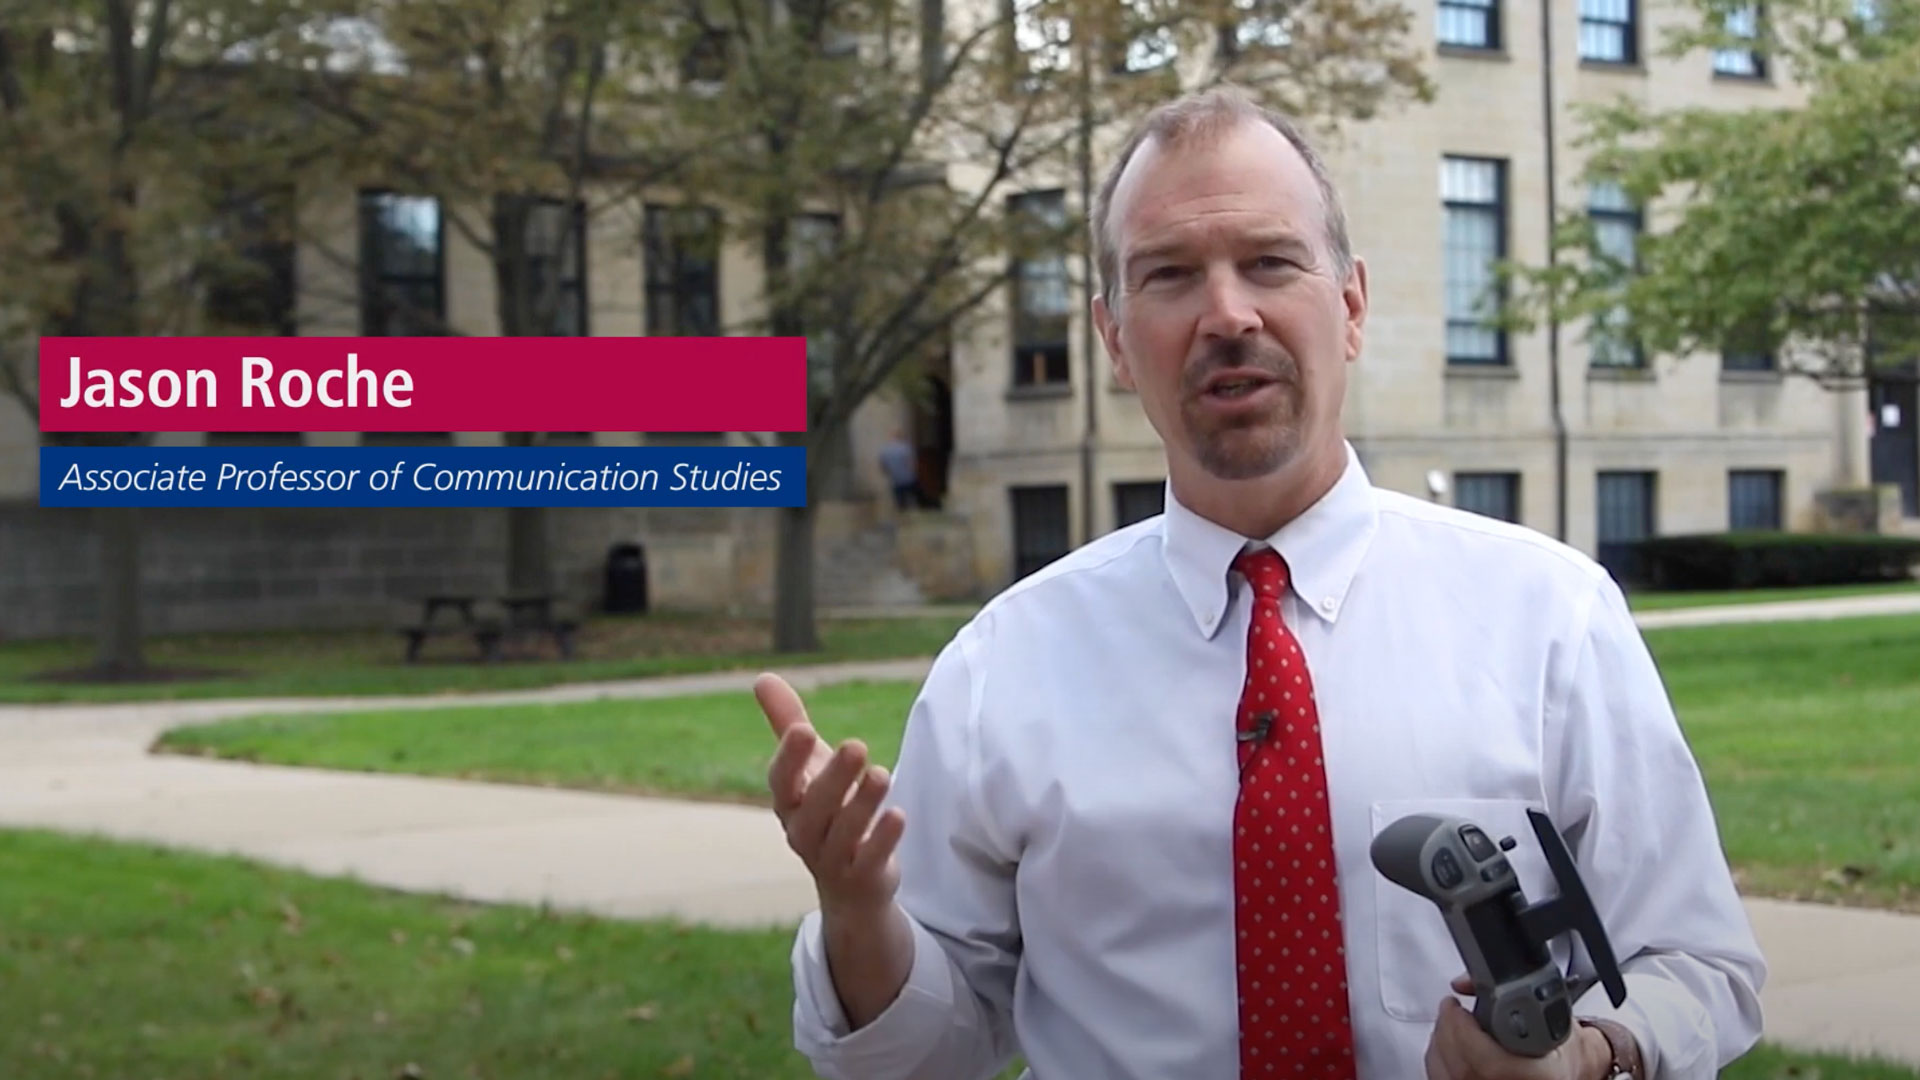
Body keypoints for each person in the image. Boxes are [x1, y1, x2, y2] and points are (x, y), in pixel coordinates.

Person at [753, 86, 1766, 1079]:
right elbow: (929, 1055)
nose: (1227, 313)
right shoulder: (1001, 668)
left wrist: (1591, 1056)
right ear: (1112, 337)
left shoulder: (1549, 619)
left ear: (1353, 306)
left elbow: (1700, 963)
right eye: (1170, 275)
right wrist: (858, 919)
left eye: (1270, 261)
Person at [880, 429, 920, 511]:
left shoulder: (885, 450)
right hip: (908, 478)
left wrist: (891, 473)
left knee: (900, 502)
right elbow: (911, 463)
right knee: (912, 499)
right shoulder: (906, 448)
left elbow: (883, 466)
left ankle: (902, 517)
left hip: (895, 479)